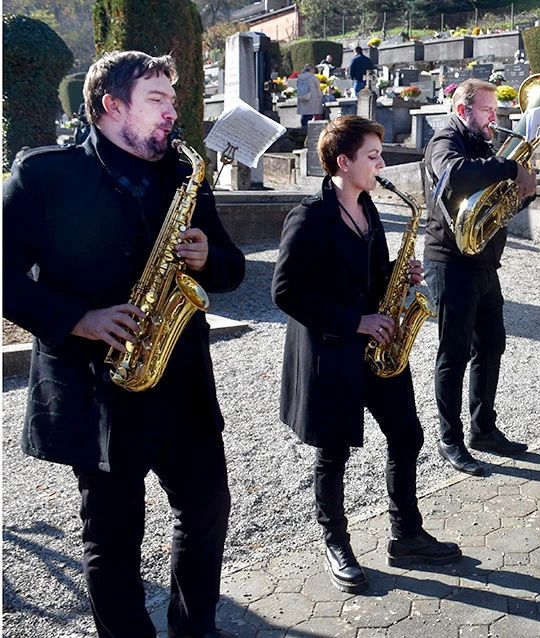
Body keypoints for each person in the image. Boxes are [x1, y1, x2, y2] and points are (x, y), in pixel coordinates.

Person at [2, 50, 245, 638]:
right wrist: (78, 318)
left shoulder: (185, 174)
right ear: (112, 106)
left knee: (207, 512)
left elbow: (232, 270)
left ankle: (195, 630)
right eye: (156, 101)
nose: (172, 113)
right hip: (99, 390)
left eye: (172, 99)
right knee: (113, 539)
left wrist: (211, 257)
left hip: (182, 382)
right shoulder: (45, 177)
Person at [271, 115, 461, 595]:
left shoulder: (369, 208)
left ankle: (406, 534)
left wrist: (401, 272)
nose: (381, 165)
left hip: (378, 348)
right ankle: (336, 542)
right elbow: (286, 292)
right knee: (332, 453)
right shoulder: (309, 217)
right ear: (343, 161)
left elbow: (369, 275)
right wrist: (354, 321)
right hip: (332, 352)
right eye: (373, 157)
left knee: (407, 436)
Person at [422, 78, 537, 477]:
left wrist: (525, 189)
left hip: (485, 262)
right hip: (449, 262)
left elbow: (500, 204)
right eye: (489, 111)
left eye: (496, 111)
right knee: (452, 353)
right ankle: (449, 439)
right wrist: (510, 166)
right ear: (462, 111)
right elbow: (453, 175)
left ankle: (482, 428)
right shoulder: (444, 141)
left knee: (491, 346)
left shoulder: (485, 145)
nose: (495, 118)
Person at [296, 63, 324, 128]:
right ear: (311, 69)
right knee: (310, 114)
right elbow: (318, 88)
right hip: (312, 98)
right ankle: (307, 129)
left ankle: (303, 127)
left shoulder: (299, 77)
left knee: (304, 114)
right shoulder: (313, 77)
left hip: (302, 97)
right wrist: (320, 96)